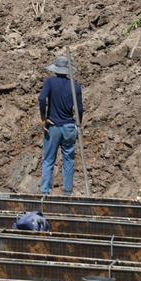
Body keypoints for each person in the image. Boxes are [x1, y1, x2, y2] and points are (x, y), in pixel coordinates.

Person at [39, 55, 83, 196]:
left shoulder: (50, 82)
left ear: (55, 69)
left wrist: (43, 117)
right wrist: (78, 124)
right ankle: (68, 192)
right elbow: (79, 108)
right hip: (69, 126)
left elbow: (41, 98)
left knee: (48, 160)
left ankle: (45, 192)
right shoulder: (75, 85)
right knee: (69, 160)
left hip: (53, 126)